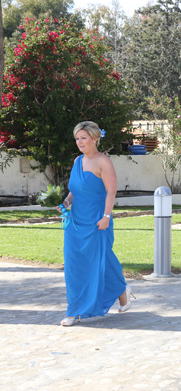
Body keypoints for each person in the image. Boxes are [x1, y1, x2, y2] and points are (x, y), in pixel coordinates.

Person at [57, 121, 134, 326]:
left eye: (83, 138)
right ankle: (76, 308)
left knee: (101, 259)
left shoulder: (103, 162)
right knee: (74, 265)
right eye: (77, 139)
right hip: (75, 222)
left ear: (95, 138)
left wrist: (106, 217)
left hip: (97, 220)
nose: (80, 142)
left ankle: (117, 290)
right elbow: (76, 188)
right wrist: (66, 201)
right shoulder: (77, 161)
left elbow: (111, 191)